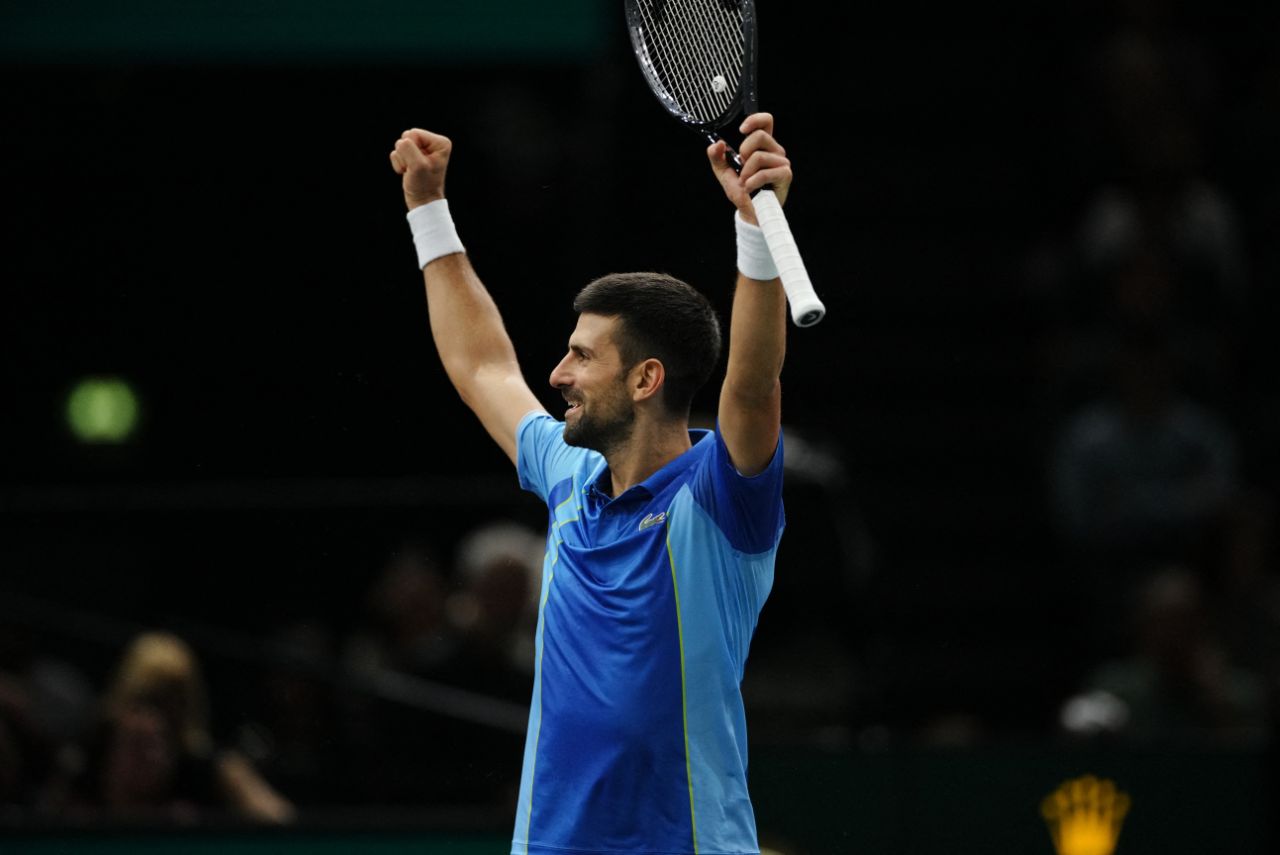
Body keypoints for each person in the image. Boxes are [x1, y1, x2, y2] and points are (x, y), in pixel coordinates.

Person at [388, 113, 793, 855]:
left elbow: (753, 382)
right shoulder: (570, 473)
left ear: (646, 378)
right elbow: (482, 366)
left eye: (581, 357)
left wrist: (756, 233)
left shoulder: (718, 499)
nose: (558, 375)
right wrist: (428, 208)